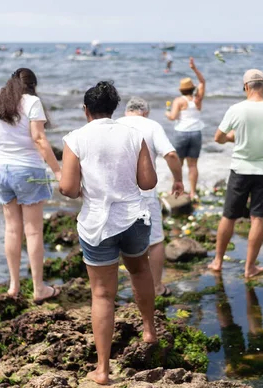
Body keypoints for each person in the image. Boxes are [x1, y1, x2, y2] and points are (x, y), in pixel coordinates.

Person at [59, 81, 158, 385]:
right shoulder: (134, 134)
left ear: (86, 110)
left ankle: (102, 370)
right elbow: (148, 182)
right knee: (140, 271)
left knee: (102, 294)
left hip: (98, 224)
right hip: (133, 219)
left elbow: (70, 189)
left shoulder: (75, 138)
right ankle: (149, 330)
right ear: (113, 109)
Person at [0, 68, 62, 303]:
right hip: (28, 170)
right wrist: (57, 169)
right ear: (32, 85)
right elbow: (39, 139)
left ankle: (14, 286)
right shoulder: (32, 102)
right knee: (34, 231)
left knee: (12, 230)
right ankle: (39, 288)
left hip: (2, 171)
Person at [208, 69, 263, 278]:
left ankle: (217, 261)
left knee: (229, 216)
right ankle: (250, 267)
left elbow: (218, 138)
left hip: (240, 169)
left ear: (245, 87)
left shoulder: (236, 109)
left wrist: (235, 137)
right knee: (258, 219)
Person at [117, 97, 184, 297]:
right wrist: (178, 180)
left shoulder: (115, 125)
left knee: (118, 241)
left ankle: (123, 288)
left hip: (117, 195)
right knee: (154, 241)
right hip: (145, 195)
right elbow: (171, 155)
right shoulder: (151, 126)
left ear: (126, 111)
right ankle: (156, 287)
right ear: (145, 112)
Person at [165, 57, 205, 200]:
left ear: (181, 90)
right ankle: (193, 192)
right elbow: (202, 82)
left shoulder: (179, 101)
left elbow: (173, 117)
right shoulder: (197, 99)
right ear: (192, 88)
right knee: (193, 165)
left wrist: (167, 113)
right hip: (196, 133)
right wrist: (194, 68)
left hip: (182, 133)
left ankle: (176, 190)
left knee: (178, 164)